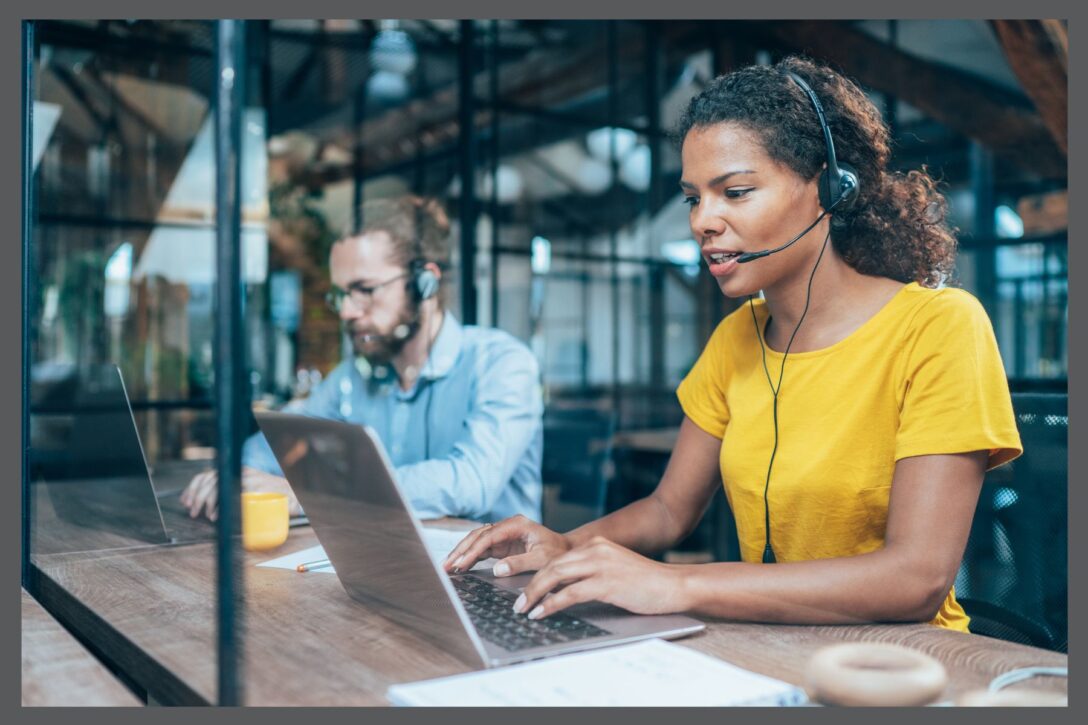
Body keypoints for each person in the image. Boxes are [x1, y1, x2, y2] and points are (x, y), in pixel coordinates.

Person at [443, 56, 1022, 632]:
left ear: (829, 187)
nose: (702, 221)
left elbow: (914, 580)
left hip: (901, 667)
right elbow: (669, 510)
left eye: (736, 192)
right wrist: (563, 547)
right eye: (695, 197)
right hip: (768, 646)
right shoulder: (737, 336)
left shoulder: (940, 327)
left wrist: (675, 584)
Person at [181, 196, 544, 523]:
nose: (348, 312)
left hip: (496, 582)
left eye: (365, 291)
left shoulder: (502, 363)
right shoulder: (354, 377)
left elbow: (469, 482)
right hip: (390, 567)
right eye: (342, 295)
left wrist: (311, 496)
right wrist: (233, 477)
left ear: (425, 284)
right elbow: (280, 444)